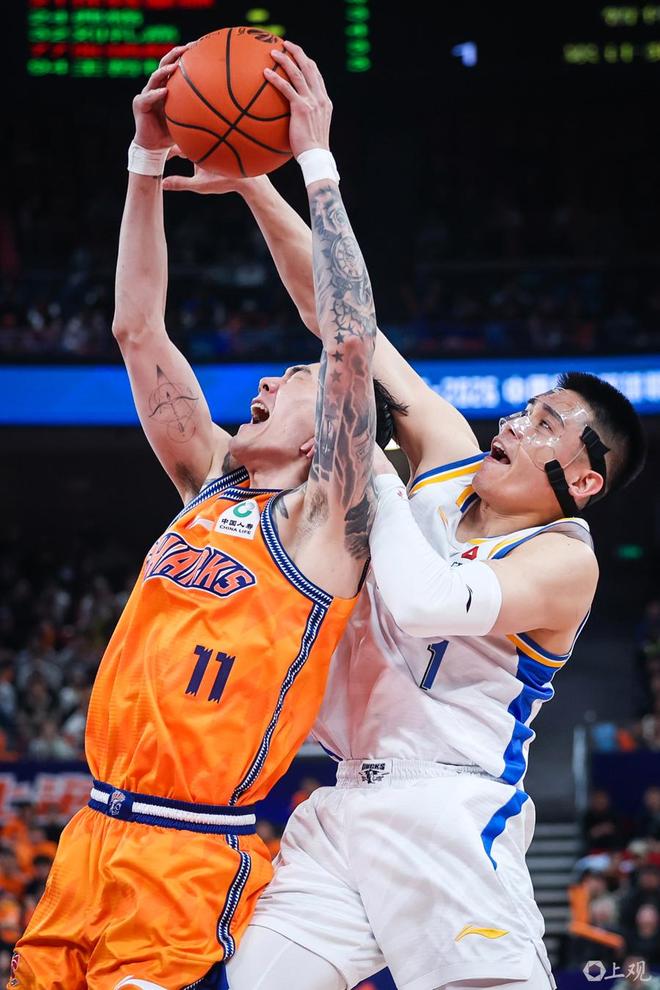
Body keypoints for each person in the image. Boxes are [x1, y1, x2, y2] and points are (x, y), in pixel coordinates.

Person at [164, 47, 646, 989]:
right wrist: (259, 179)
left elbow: (427, 603)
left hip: (452, 818)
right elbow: (345, 327)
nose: (517, 423)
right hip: (341, 805)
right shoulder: (446, 458)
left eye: (546, 424)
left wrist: (365, 464)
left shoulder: (563, 560)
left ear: (584, 481)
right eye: (526, 408)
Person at [10, 42, 383, 990]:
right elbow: (136, 330)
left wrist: (314, 161)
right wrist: (145, 161)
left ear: (328, 433)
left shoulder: (323, 525)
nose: (266, 381)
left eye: (289, 380)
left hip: (189, 852)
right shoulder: (210, 480)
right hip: (90, 836)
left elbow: (349, 342)